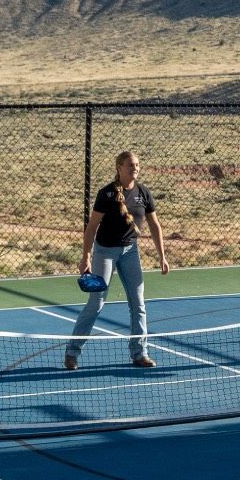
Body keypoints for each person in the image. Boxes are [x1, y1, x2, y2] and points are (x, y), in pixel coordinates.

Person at [69, 149, 169, 369]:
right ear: (119, 168)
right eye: (130, 165)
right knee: (96, 303)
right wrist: (85, 257)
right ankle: (72, 352)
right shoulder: (106, 194)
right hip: (105, 252)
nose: (135, 168)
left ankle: (139, 353)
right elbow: (92, 227)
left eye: (137, 165)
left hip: (130, 252)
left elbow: (154, 225)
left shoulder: (144, 192)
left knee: (138, 303)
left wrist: (162, 256)